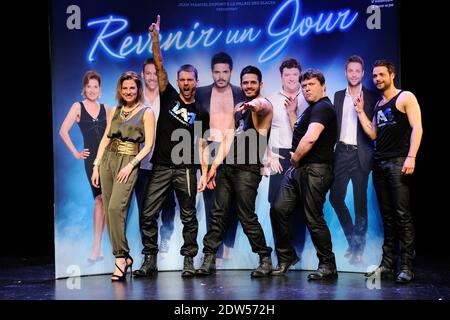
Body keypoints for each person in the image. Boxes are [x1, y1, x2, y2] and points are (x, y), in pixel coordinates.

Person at [133, 15, 209, 278]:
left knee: (189, 217)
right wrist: (155, 39)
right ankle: (149, 260)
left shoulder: (201, 111)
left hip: (186, 169)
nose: (186, 83)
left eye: (190, 80)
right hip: (162, 166)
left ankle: (189, 261)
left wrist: (206, 172)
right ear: (177, 82)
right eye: (182, 80)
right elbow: (159, 63)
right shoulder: (169, 96)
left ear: (197, 82)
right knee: (148, 213)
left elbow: (201, 144)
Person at [197, 65, 273, 278]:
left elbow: (261, 105)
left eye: (253, 82)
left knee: (246, 216)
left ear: (260, 84)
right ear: (241, 85)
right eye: (246, 83)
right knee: (217, 214)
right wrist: (213, 169)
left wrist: (253, 104)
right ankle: (209, 258)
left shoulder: (263, 106)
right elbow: (228, 140)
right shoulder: (240, 108)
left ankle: (265, 258)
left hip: (248, 171)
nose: (249, 86)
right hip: (228, 169)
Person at [357, 60, 422, 283]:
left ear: (391, 74)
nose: (377, 79)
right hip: (380, 163)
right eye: (374, 76)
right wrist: (359, 112)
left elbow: (418, 128)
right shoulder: (378, 104)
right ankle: (387, 263)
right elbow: (374, 134)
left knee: (402, 215)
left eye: (381, 75)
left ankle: (406, 266)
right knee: (387, 216)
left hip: (398, 161)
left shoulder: (405, 97)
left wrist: (411, 156)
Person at [270, 69, 338, 279]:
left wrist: (295, 159)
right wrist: (292, 114)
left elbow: (310, 138)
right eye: (304, 86)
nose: (307, 89)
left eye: (312, 85)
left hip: (315, 170)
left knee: (313, 218)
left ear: (323, 86)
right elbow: (300, 132)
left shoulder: (323, 107)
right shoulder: (310, 110)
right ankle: (287, 256)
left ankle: (328, 265)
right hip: (299, 170)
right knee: (278, 210)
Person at [91, 71, 155, 281]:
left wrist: (132, 165)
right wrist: (96, 165)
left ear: (138, 89)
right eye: (125, 88)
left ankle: (120, 258)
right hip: (108, 161)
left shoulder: (146, 112)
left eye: (132, 88)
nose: (128, 91)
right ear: (120, 89)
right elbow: (105, 139)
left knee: (115, 208)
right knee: (109, 212)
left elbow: (148, 146)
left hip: (128, 161)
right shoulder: (116, 110)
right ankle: (124, 257)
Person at [329, 55, 379, 265]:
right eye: (350, 70)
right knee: (335, 198)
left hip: (361, 154)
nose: (354, 74)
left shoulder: (372, 97)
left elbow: (373, 132)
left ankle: (359, 249)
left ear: (363, 73)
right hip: (341, 153)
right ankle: (353, 241)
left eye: (358, 71)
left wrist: (360, 111)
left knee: (360, 203)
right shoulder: (338, 96)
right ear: (346, 72)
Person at [196, 52, 244, 264]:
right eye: (217, 72)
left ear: (231, 72)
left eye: (225, 71)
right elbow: (197, 128)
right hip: (210, 147)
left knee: (234, 201)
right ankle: (212, 251)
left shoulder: (242, 93)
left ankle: (228, 245)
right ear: (212, 72)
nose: (221, 76)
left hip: (236, 149)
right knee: (210, 201)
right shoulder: (201, 93)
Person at [59, 70, 110, 263]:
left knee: (106, 200)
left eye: (95, 86)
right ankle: (95, 247)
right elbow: (63, 131)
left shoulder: (107, 108)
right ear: (84, 88)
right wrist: (76, 153)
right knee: (99, 199)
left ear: (100, 89)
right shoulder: (77, 106)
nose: (92, 90)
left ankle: (100, 247)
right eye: (89, 86)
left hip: (108, 160)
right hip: (91, 161)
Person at [265, 58, 308, 268]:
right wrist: (268, 155)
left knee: (300, 206)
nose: (291, 78)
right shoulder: (271, 99)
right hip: (279, 155)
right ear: (281, 76)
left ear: (299, 75)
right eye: (287, 75)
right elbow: (262, 130)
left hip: (303, 154)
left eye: (294, 74)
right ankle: (285, 254)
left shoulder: (308, 96)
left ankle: (298, 251)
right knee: (276, 206)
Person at [134, 58, 176, 258]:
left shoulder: (166, 97)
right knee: (144, 207)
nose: (151, 77)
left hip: (164, 162)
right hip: (141, 163)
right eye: (148, 73)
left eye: (155, 73)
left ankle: (166, 239)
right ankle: (148, 249)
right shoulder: (136, 100)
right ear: (142, 75)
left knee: (168, 204)